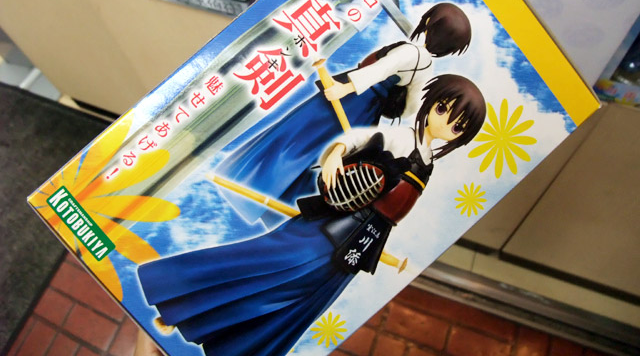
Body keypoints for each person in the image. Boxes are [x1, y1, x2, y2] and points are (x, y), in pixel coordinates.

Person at [137, 74, 486, 356]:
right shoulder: (401, 137)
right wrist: (334, 156)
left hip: (366, 239)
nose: (446, 122)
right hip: (337, 220)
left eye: (457, 126)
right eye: (444, 109)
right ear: (430, 102)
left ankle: (231, 345)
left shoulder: (429, 161)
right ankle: (174, 299)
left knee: (305, 297)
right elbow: (359, 139)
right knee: (268, 261)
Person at [214, 2, 472, 224]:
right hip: (366, 111)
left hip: (350, 99)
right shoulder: (426, 67)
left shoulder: (412, 53)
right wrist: (386, 101)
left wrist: (345, 88)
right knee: (314, 153)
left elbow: (378, 71)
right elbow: (412, 107)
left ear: (428, 23)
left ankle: (243, 186)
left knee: (298, 137)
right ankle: (271, 211)